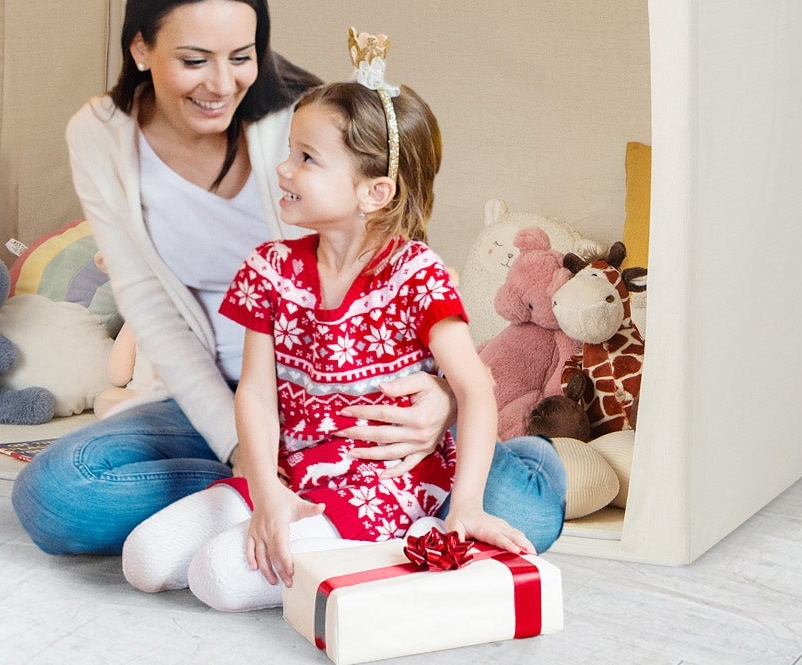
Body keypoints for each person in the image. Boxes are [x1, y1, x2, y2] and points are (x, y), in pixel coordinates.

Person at [9, 0, 565, 559]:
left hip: (364, 425)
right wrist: (250, 458)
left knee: (518, 508)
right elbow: (149, 304)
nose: (223, 84)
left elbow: (391, 263)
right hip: (222, 406)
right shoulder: (102, 137)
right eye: (194, 59)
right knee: (59, 496)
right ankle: (285, 513)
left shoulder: (308, 114)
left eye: (242, 57)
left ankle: (505, 464)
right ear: (141, 48)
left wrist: (441, 400)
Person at [121, 31, 532, 610]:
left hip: (380, 485)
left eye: (306, 158)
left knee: (217, 575)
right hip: (292, 470)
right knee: (143, 559)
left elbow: (475, 387)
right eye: (290, 151)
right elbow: (258, 394)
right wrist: (267, 495)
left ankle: (399, 541)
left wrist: (466, 506)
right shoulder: (271, 267)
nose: (283, 170)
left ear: (374, 192)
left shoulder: (417, 272)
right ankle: (306, 536)